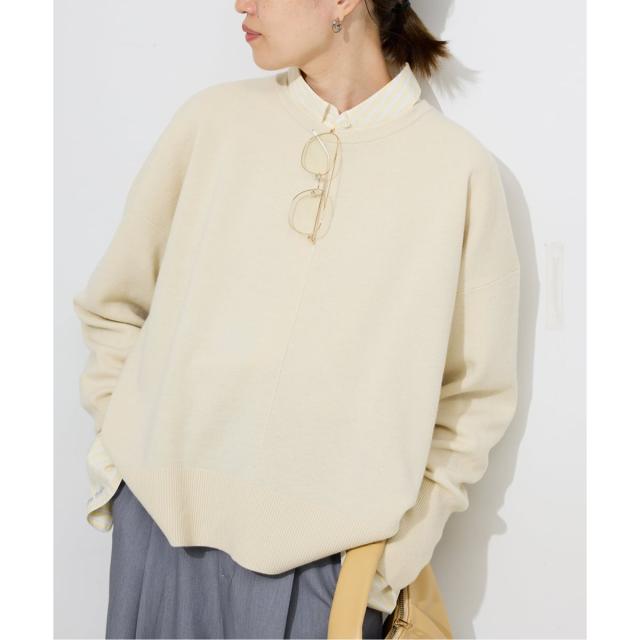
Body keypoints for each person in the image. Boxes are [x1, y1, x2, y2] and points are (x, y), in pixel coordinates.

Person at [72, 0, 521, 638]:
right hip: (160, 537)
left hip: (330, 571)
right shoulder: (212, 122)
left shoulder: (457, 171)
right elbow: (115, 305)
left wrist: (391, 560)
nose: (241, 4)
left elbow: (474, 397)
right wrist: (126, 460)